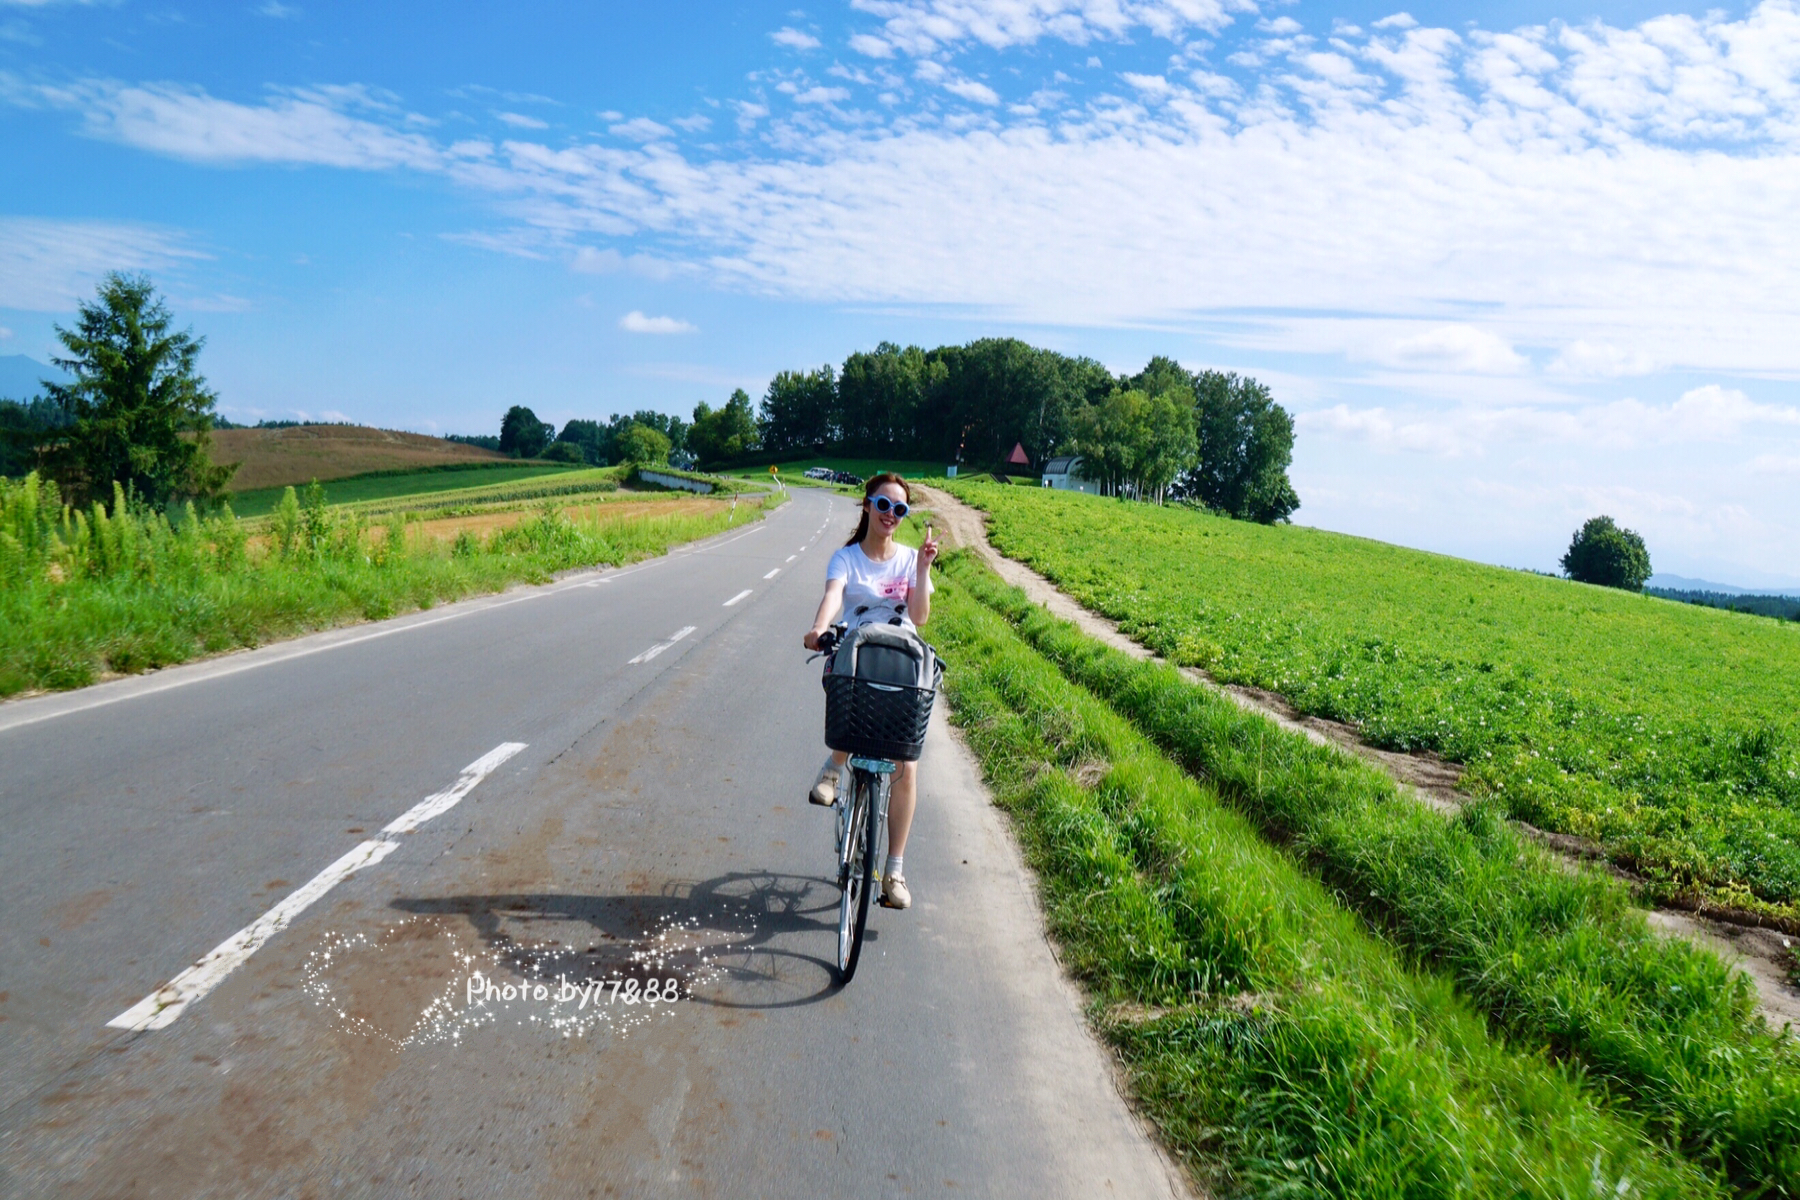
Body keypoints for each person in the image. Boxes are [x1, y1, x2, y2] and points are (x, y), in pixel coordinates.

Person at [803, 473, 939, 910]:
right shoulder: (846, 558)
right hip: (859, 655)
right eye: (884, 505)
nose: (890, 516)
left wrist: (921, 569)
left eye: (900, 510)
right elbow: (833, 597)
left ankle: (893, 872)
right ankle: (832, 769)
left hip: (898, 660)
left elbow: (918, 618)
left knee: (908, 767)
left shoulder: (909, 559)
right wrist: (820, 628)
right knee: (848, 691)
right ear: (867, 505)